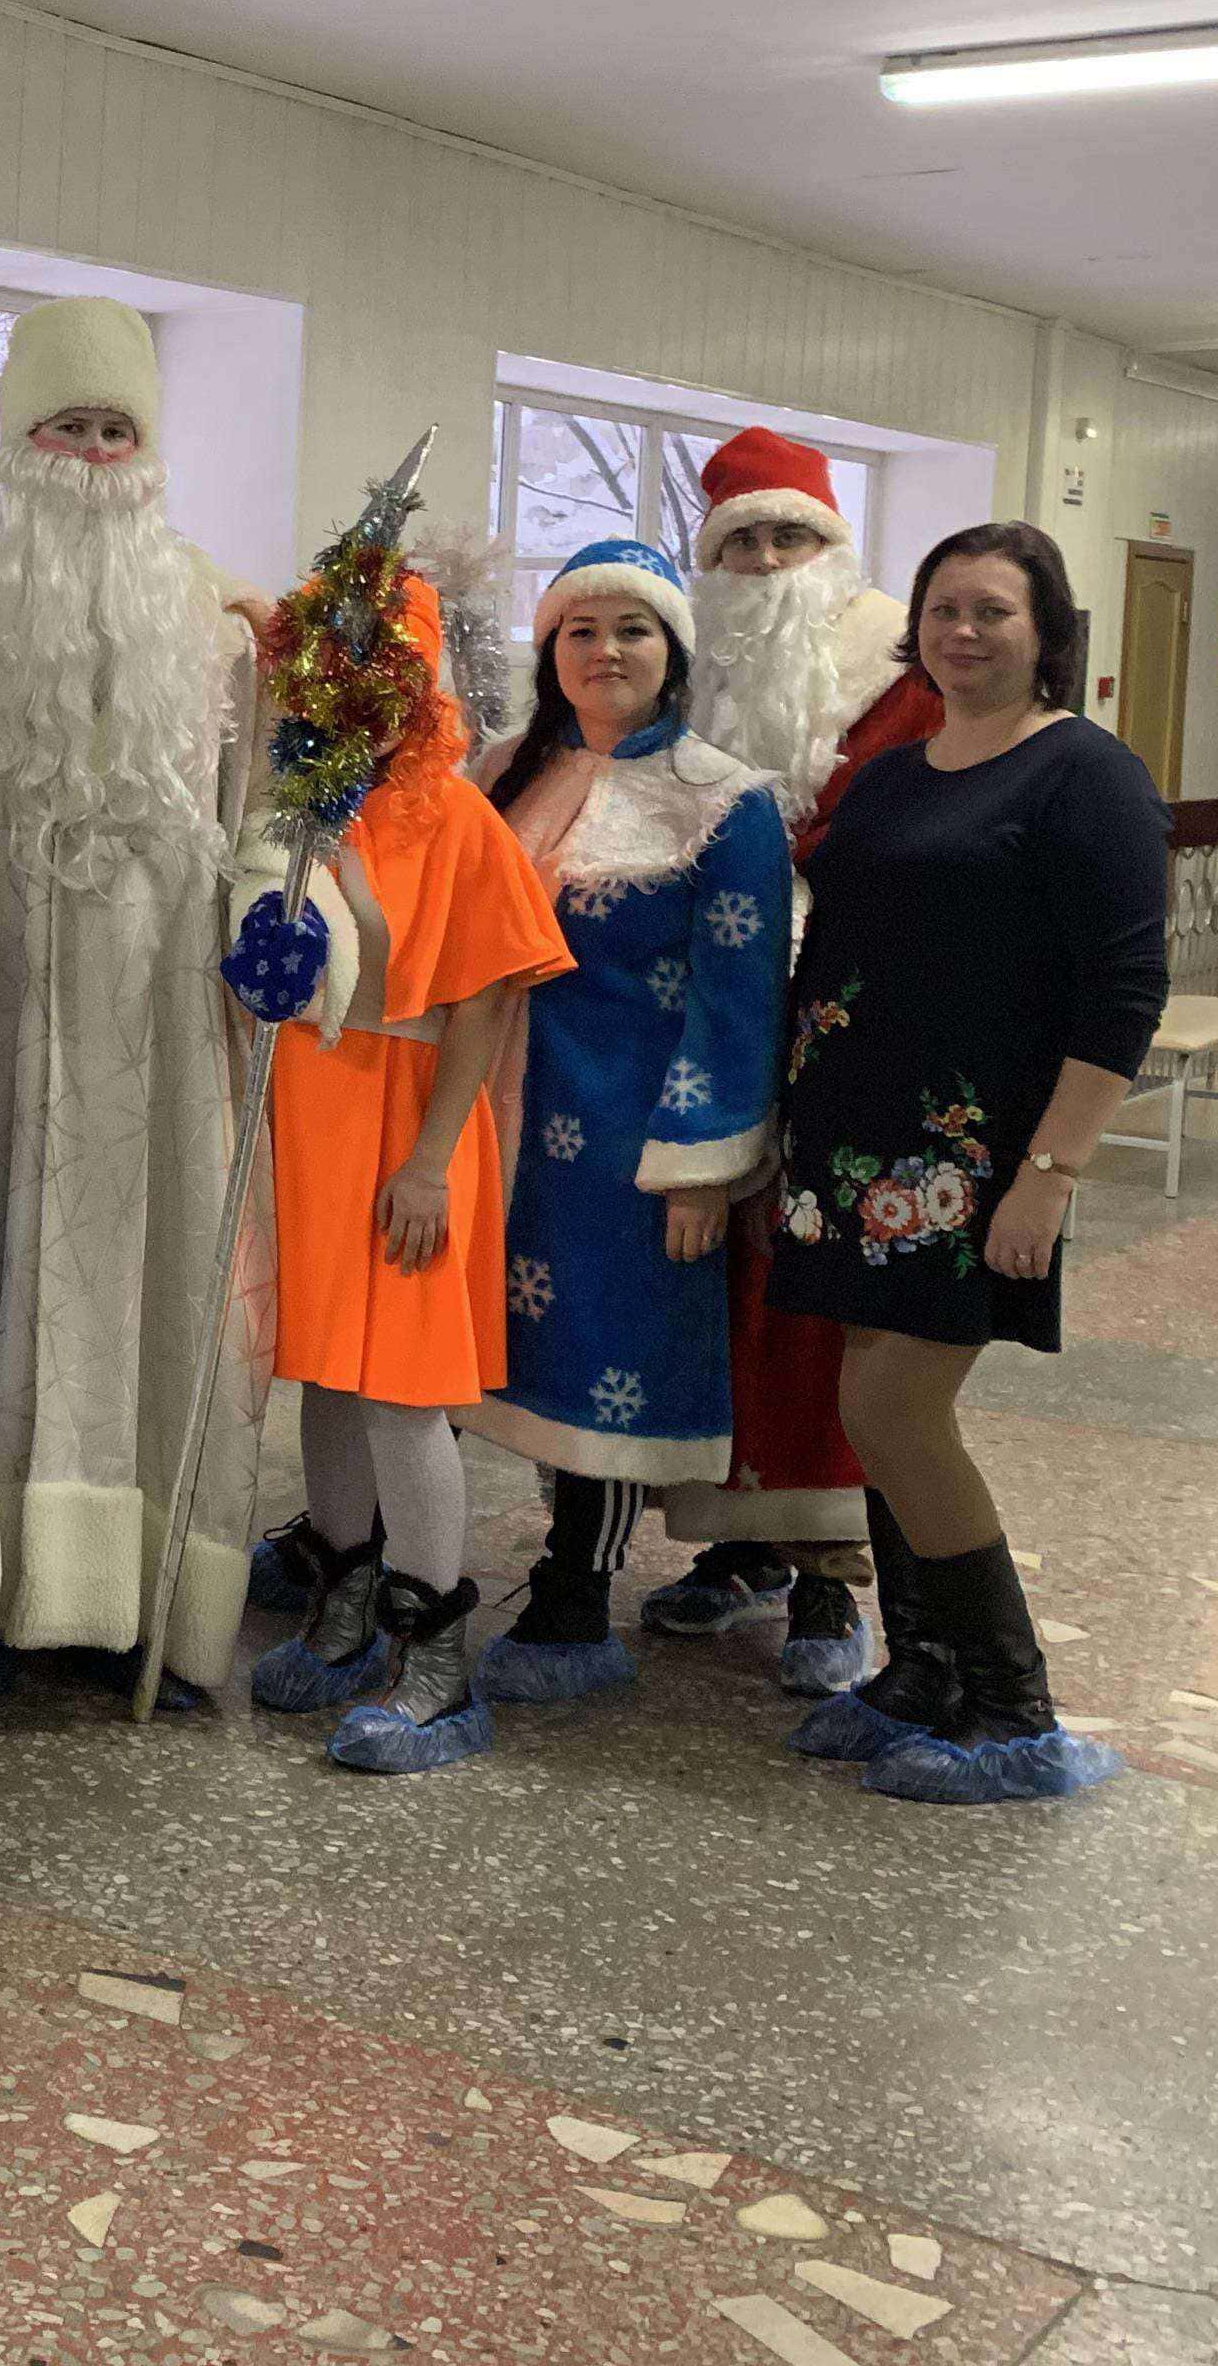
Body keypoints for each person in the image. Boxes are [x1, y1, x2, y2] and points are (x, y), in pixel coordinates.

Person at [0, 297, 261, 1704]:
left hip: (164, 1036)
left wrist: (281, 923)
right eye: (70, 425)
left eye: (118, 429)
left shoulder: (217, 627)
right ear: (15, 439)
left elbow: (262, 821)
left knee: (165, 1294)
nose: (96, 455)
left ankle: (141, 1608)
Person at [769, 521, 1165, 1803]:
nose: (963, 631)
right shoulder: (892, 775)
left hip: (976, 1155)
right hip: (852, 1145)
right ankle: (923, 1670)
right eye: (944, 608)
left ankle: (1014, 1711)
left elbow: (1125, 988)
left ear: (1045, 632)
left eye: (993, 610)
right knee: (869, 1403)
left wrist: (1053, 1170)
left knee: (896, 1410)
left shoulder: (1085, 774)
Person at [245, 566, 570, 1772]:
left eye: (389, 674)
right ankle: (343, 1600)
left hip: (410, 1121)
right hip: (312, 1114)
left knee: (402, 1391)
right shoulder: (303, 809)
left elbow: (486, 1001)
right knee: (329, 1375)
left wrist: (432, 1162)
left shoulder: (460, 818)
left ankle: (435, 1659)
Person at [460, 544, 788, 1702]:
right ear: (551, 650)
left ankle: (574, 1594)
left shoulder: (724, 800)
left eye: (632, 629)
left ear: (673, 651)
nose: (606, 651)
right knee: (496, 1344)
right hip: (491, 1117)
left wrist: (702, 1164)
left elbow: (739, 994)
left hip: (626, 1134)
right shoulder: (504, 773)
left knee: (609, 1346)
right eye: (581, 630)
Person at [649, 429, 941, 1679]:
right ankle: (734, 1546)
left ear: (833, 547)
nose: (767, 562)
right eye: (742, 543)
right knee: (715, 1286)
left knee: (817, 1297)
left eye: (790, 536)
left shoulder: (900, 682)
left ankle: (831, 1575)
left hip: (849, 1024)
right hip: (708, 1020)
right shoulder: (685, 675)